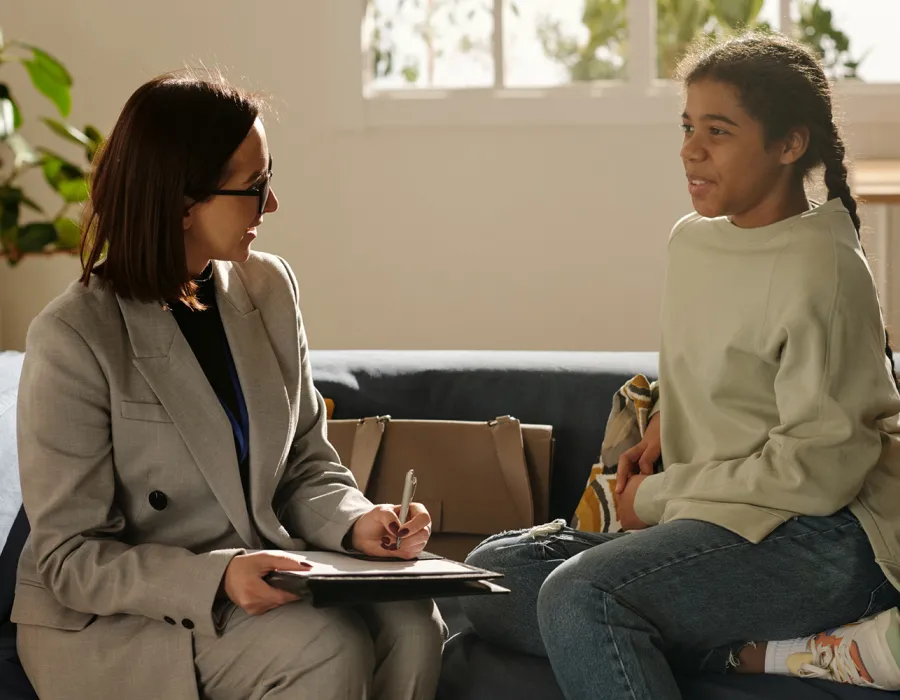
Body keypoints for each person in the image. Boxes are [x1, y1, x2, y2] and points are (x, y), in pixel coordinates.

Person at [461, 32, 900, 699]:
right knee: (487, 575)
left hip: (826, 538)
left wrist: (657, 497)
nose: (691, 149)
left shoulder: (826, 269)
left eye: (718, 131)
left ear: (789, 145)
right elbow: (724, 360)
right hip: (720, 521)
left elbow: (822, 470)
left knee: (581, 596)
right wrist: (665, 423)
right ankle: (754, 651)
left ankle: (741, 638)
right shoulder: (692, 243)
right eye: (688, 126)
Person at [12, 71, 446, 700]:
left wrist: (358, 523)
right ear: (182, 202)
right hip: (120, 623)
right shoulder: (73, 337)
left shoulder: (268, 288)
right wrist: (216, 579)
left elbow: (303, 464)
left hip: (261, 583)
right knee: (327, 647)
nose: (271, 206)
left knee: (414, 621)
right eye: (254, 187)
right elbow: (68, 559)